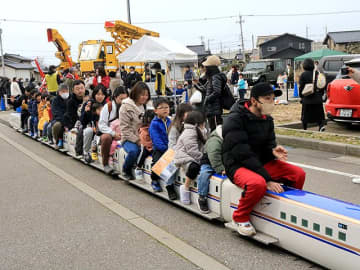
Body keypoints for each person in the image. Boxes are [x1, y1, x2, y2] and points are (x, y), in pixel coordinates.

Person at [222, 82, 306, 236]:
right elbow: (242, 153)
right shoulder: (234, 119)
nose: (271, 103)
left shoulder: (267, 119)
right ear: (254, 101)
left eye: (273, 99)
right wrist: (267, 179)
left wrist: (273, 150)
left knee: (298, 174)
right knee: (258, 183)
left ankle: (286, 209)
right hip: (238, 164)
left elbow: (269, 143)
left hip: (260, 162)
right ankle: (239, 217)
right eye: (267, 99)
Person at [174, 111, 207, 205]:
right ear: (197, 123)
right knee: (194, 167)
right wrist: (203, 159)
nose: (205, 124)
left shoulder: (200, 130)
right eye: (203, 122)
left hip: (192, 155)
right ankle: (185, 187)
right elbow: (192, 151)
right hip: (183, 157)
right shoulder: (189, 132)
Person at [119, 82, 150, 180]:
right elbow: (125, 129)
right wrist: (137, 140)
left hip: (145, 136)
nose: (144, 97)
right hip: (129, 138)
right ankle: (126, 170)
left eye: (146, 95)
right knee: (134, 151)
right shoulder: (125, 107)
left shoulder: (147, 106)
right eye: (142, 95)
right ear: (135, 93)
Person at [98, 87, 128, 173]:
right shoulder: (108, 106)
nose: (123, 101)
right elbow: (101, 125)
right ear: (115, 97)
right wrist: (113, 133)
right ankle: (106, 164)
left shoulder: (128, 106)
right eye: (121, 99)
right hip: (109, 133)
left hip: (123, 133)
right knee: (106, 138)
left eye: (125, 99)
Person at [197, 124, 224, 213]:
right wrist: (221, 169)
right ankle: (202, 197)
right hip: (208, 162)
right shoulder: (215, 140)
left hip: (223, 162)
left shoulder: (230, 138)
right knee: (204, 174)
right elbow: (214, 155)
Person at [149, 98, 172, 193]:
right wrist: (166, 150)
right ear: (155, 111)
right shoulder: (154, 124)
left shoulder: (170, 121)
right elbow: (156, 140)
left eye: (166, 107)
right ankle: (154, 180)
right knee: (157, 162)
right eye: (161, 108)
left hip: (170, 149)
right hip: (159, 149)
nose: (165, 109)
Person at [81, 85, 108, 162]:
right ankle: (86, 152)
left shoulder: (107, 106)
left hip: (103, 128)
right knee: (88, 131)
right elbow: (82, 121)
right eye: (98, 94)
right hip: (91, 127)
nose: (100, 96)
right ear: (94, 94)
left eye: (102, 94)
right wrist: (86, 112)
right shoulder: (88, 104)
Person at [299, 58, 326, 132]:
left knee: (305, 115)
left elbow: (301, 87)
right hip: (317, 98)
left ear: (304, 66)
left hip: (307, 98)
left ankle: (305, 128)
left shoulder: (303, 75)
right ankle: (321, 126)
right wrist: (321, 94)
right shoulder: (318, 73)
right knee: (319, 114)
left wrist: (301, 96)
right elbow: (322, 85)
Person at [202, 55, 226, 131]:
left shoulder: (215, 77)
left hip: (215, 109)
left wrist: (207, 99)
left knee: (216, 130)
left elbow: (217, 92)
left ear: (210, 67)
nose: (205, 68)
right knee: (214, 129)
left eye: (206, 66)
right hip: (213, 109)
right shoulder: (213, 77)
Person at [136, 109, 155, 176]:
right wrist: (150, 145)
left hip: (153, 145)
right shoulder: (143, 130)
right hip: (146, 146)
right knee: (143, 153)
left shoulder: (154, 126)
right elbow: (144, 141)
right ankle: (138, 167)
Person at [52, 84, 69, 149]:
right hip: (59, 119)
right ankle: (57, 141)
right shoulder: (55, 100)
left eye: (66, 91)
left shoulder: (70, 99)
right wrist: (64, 122)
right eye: (63, 91)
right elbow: (56, 113)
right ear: (59, 92)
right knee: (57, 125)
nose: (65, 93)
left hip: (69, 119)